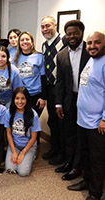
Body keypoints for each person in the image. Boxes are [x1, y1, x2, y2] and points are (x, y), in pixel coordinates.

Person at [67, 31, 105, 200]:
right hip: (83, 119)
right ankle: (86, 181)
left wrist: (104, 118)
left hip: (97, 122)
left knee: (97, 159)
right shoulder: (92, 60)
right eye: (89, 43)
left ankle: (95, 193)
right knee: (85, 154)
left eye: (96, 43)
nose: (92, 46)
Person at [55, 20, 90, 181]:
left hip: (87, 101)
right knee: (69, 134)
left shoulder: (91, 52)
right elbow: (60, 81)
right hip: (70, 100)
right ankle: (70, 163)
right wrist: (59, 104)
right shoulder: (61, 55)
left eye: (75, 32)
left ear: (81, 33)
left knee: (82, 135)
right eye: (69, 34)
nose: (72, 36)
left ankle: (79, 166)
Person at [40, 16, 66, 164]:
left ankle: (63, 154)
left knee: (62, 122)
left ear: (55, 25)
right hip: (50, 88)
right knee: (52, 121)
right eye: (43, 27)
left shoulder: (64, 41)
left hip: (61, 88)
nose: (45, 29)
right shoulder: (44, 45)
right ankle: (55, 149)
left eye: (48, 26)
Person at [5, 87, 41, 177]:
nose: (20, 102)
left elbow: (34, 137)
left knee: (23, 172)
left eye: (23, 98)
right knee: (10, 169)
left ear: (27, 99)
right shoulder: (9, 112)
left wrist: (23, 153)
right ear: (13, 99)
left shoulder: (33, 114)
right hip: (15, 144)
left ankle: (30, 156)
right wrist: (13, 151)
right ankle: (18, 157)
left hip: (28, 146)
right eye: (17, 98)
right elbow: (8, 133)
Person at [14, 32, 46, 116]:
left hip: (35, 96)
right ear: (19, 43)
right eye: (22, 40)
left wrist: (43, 97)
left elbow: (44, 78)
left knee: (33, 122)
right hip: (20, 95)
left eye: (27, 39)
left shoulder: (39, 57)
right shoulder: (15, 58)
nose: (25, 42)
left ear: (32, 42)